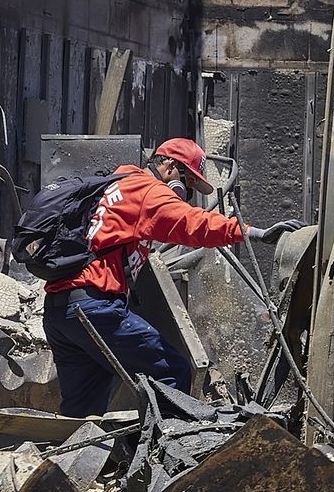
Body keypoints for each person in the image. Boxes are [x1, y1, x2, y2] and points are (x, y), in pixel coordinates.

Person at [42, 138, 303, 417]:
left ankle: (69, 457)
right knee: (172, 372)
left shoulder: (115, 185)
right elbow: (194, 223)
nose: (185, 193)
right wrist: (254, 233)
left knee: (83, 408)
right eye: (187, 183)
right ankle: (165, 456)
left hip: (62, 311)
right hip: (96, 308)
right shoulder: (147, 190)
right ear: (168, 166)